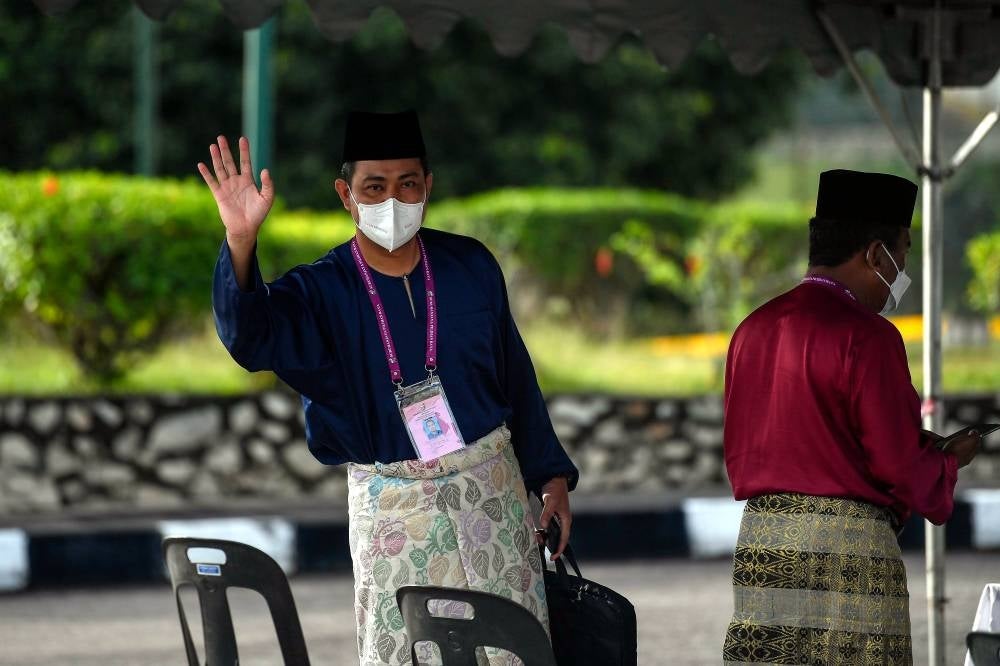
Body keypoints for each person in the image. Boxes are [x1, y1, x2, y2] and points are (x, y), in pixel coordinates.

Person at [200, 110, 578, 666]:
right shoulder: (320, 290)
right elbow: (250, 337)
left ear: (429, 185)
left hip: (492, 501)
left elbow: (515, 376)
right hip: (394, 513)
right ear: (345, 195)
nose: (392, 201)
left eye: (408, 184)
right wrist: (240, 241)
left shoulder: (471, 266)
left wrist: (550, 476)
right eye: (373, 187)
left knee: (512, 654)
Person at [721, 169, 981, 665]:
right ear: (875, 254)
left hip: (763, 544)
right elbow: (897, 464)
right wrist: (946, 461)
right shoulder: (869, 337)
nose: (903, 266)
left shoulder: (751, 329)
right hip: (848, 549)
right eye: (902, 250)